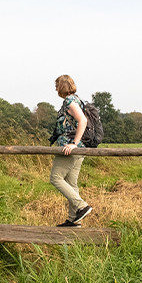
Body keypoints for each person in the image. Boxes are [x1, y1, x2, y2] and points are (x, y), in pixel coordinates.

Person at [49, 75, 94, 227]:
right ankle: (74, 219)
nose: (55, 88)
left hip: (70, 147)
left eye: (57, 85)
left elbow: (83, 120)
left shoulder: (69, 101)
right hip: (80, 148)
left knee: (55, 178)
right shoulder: (78, 100)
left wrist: (74, 143)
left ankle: (82, 206)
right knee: (71, 183)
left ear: (61, 86)